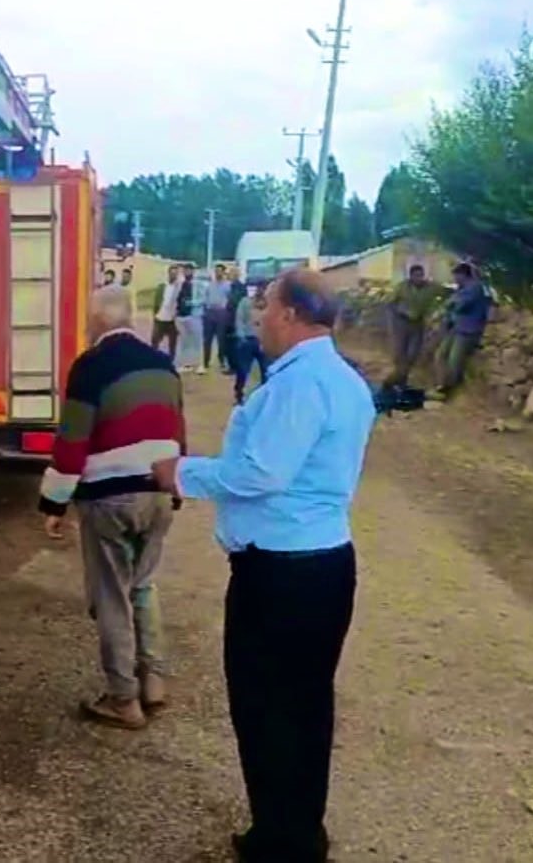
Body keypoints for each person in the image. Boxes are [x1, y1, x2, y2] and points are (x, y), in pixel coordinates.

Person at [152, 269, 375, 862]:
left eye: (266, 306)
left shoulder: (300, 385)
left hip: (282, 574)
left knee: (266, 705)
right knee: (305, 704)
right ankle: (297, 829)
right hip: (323, 563)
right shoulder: (344, 380)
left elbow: (259, 473)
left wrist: (180, 472)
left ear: (293, 315)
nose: (258, 316)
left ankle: (281, 841)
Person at [39, 286, 184, 729]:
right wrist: (175, 487)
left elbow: (73, 440)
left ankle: (123, 699)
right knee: (144, 585)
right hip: (159, 491)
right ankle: (153, 682)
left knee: (112, 595)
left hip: (111, 496)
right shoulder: (164, 364)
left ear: (99, 321)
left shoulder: (91, 367)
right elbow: (178, 429)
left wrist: (54, 502)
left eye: (89, 319)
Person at [434, 263, 491, 397]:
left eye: (456, 276)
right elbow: (451, 304)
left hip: (469, 330)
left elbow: (460, 305)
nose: (454, 279)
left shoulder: (475, 288)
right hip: (457, 327)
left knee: (454, 360)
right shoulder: (462, 289)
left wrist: (451, 304)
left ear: (463, 275)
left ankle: (449, 389)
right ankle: (441, 384)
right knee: (440, 355)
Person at [385, 264, 442, 390]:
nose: (419, 278)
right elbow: (390, 303)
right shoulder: (401, 287)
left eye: (421, 275)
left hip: (418, 323)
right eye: (416, 275)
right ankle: (399, 381)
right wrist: (399, 313)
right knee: (400, 353)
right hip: (401, 323)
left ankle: (399, 378)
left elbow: (447, 292)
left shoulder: (431, 287)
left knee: (413, 354)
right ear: (410, 276)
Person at [232, 291, 269, 404]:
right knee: (243, 370)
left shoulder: (270, 303)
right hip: (248, 339)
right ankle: (239, 394)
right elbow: (239, 319)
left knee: (266, 370)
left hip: (263, 340)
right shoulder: (245, 302)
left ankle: (265, 397)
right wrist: (241, 336)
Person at [202, 265, 234, 373]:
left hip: (221, 313)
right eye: (216, 271)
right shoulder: (210, 285)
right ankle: (205, 362)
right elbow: (205, 297)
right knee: (207, 339)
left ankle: (221, 361)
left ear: (223, 273)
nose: (217, 273)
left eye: (219, 271)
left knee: (221, 339)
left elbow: (230, 299)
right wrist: (205, 310)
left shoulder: (228, 285)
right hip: (210, 312)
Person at [177, 265, 208, 374]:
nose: (187, 272)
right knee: (185, 341)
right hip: (181, 316)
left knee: (198, 341)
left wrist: (192, 303)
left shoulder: (199, 284)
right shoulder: (180, 284)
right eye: (185, 270)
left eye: (189, 270)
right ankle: (186, 364)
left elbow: (204, 298)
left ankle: (200, 365)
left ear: (193, 272)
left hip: (195, 315)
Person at [150, 265, 182, 358]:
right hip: (160, 317)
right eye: (172, 273)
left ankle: (171, 360)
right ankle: (153, 358)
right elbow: (156, 301)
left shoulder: (179, 288)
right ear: (168, 274)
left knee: (172, 342)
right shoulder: (162, 286)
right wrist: (155, 314)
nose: (173, 275)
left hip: (172, 320)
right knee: (155, 340)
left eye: (175, 274)